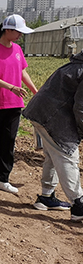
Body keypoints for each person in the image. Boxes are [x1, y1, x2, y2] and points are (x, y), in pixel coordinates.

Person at [22, 52, 83, 217]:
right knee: (67, 156)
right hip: (52, 117)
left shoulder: (76, 65)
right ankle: (78, 204)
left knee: (52, 156)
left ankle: (46, 197)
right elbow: (81, 108)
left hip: (42, 112)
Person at [0, 14, 38, 194]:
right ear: (7, 30)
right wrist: (11, 87)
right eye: (18, 32)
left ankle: (1, 177)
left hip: (15, 103)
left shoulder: (17, 50)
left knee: (9, 141)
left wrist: (35, 91)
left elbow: (22, 73)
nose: (20, 36)